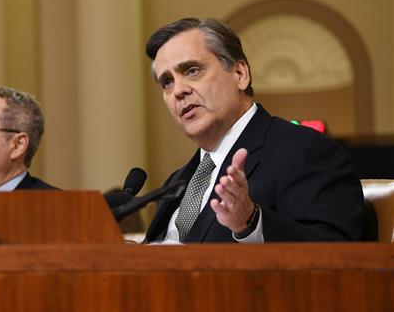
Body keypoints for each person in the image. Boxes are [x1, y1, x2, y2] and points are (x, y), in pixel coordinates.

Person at [143, 18, 363, 243]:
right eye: (167, 82)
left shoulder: (306, 151)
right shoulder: (175, 183)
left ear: (240, 74)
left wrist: (251, 222)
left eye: (192, 70)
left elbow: (337, 253)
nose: (178, 90)